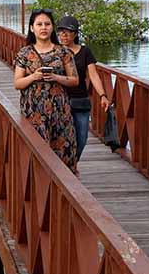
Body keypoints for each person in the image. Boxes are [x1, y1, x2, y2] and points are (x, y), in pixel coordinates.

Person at [13, 9, 80, 173]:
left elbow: (75, 80)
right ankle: (39, 193)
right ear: (32, 28)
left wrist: (57, 78)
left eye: (47, 24)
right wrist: (34, 76)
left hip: (60, 112)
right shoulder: (25, 53)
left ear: (52, 27)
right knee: (38, 154)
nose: (43, 28)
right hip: (34, 111)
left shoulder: (63, 52)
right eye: (39, 24)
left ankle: (66, 193)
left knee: (64, 151)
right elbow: (18, 83)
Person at [55, 16, 109, 161]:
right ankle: (65, 168)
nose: (64, 35)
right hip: (60, 101)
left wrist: (103, 95)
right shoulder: (55, 52)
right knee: (60, 137)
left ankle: (73, 163)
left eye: (68, 32)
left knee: (82, 137)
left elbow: (93, 75)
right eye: (60, 32)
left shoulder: (85, 52)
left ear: (76, 34)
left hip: (80, 100)